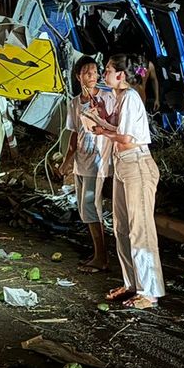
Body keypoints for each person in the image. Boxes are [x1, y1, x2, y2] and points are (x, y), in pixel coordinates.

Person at [94, 53, 164, 310]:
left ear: (121, 75)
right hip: (123, 165)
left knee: (140, 229)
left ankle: (150, 291)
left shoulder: (132, 97)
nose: (104, 75)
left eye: (108, 70)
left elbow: (127, 138)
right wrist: (102, 118)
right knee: (122, 227)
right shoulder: (119, 97)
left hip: (137, 164)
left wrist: (103, 130)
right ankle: (132, 283)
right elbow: (117, 127)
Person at [55, 56, 115, 273]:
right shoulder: (74, 103)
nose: (94, 77)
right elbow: (74, 134)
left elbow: (116, 126)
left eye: (96, 72)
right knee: (85, 208)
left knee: (91, 206)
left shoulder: (108, 98)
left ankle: (102, 257)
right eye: (88, 73)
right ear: (78, 75)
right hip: (82, 160)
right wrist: (67, 162)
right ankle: (98, 253)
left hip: (98, 161)